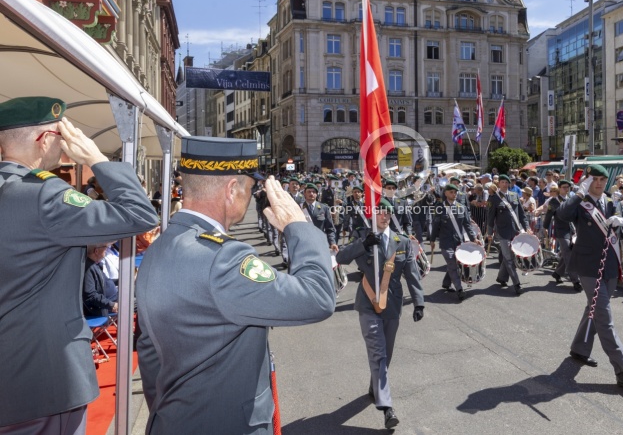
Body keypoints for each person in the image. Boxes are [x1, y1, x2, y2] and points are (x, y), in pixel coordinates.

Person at [136, 137, 336, 434]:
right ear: (231, 190)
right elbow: (318, 297)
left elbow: (149, 351)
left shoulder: (160, 247)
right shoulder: (224, 257)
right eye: (250, 187)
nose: (253, 193)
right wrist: (300, 227)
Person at [0, 97, 159, 433]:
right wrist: (96, 159)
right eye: (61, 135)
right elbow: (140, 214)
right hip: (46, 377)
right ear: (44, 140)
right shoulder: (43, 193)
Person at [335, 199, 425, 430]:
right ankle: (387, 407)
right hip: (367, 303)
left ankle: (375, 386)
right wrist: (364, 244)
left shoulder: (401, 241)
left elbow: (412, 274)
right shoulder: (363, 237)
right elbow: (341, 258)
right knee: (378, 354)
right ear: (373, 215)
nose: (384, 217)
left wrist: (418, 303)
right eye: (380, 213)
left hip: (393, 304)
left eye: (387, 213)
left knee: (387, 354)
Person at [557, 164, 623, 388]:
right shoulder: (580, 203)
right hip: (588, 267)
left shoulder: (612, 202)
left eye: (602, 180)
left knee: (593, 310)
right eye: (594, 179)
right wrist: (578, 192)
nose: (598, 183)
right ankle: (622, 369)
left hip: (610, 266)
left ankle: (579, 349)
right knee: (604, 318)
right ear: (587, 181)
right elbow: (563, 214)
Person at [430, 183, 481, 300]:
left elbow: (467, 225)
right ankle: (459, 289)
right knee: (452, 264)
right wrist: (432, 240)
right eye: (451, 192)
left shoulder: (461, 207)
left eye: (455, 192)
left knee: (454, 264)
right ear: (446, 193)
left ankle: (446, 283)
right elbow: (436, 225)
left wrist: (474, 238)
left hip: (459, 241)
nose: (454, 194)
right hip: (445, 242)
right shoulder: (440, 208)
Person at [486, 174, 532, 295]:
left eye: (507, 183)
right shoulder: (493, 198)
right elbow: (490, 218)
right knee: (509, 259)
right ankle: (517, 284)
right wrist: (489, 233)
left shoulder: (515, 195)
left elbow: (521, 214)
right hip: (502, 232)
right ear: (499, 184)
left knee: (510, 257)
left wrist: (527, 227)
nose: (505, 184)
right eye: (502, 182)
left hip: (516, 231)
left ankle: (501, 277)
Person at [549, 180, 581, 292]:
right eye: (564, 187)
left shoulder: (570, 200)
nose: (566, 189)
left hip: (572, 230)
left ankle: (557, 273)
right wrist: (544, 229)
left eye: (568, 187)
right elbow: (549, 215)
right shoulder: (554, 201)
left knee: (566, 253)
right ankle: (575, 280)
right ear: (559, 188)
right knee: (568, 253)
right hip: (561, 231)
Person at [83, 243, 119, 317]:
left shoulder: (94, 264)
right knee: (141, 300)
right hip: (110, 302)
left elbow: (105, 282)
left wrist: (123, 281)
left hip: (115, 296)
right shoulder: (88, 269)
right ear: (96, 251)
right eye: (105, 247)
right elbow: (91, 296)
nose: (106, 249)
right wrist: (111, 304)